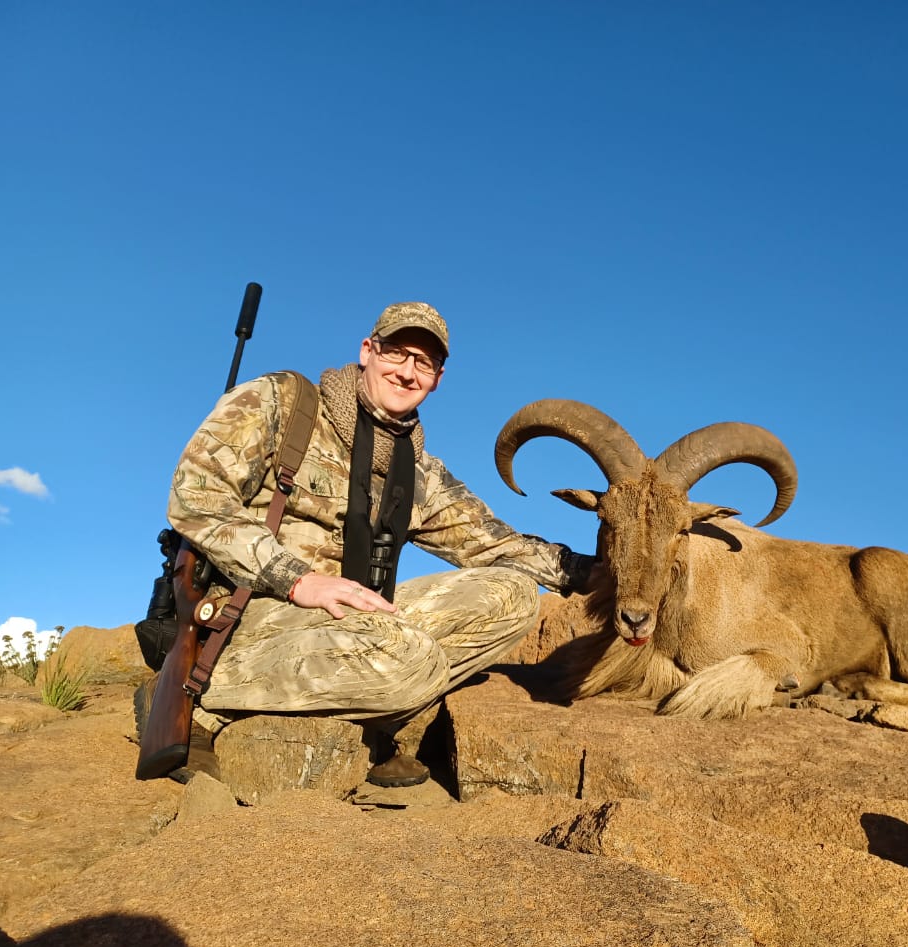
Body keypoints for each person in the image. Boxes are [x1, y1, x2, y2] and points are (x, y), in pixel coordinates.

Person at [165, 302, 594, 787]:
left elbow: (494, 544)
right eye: (396, 352)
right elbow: (195, 498)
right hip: (249, 615)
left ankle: (367, 711)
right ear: (368, 351)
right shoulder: (282, 401)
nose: (408, 372)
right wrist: (298, 580)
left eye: (425, 362)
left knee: (512, 597)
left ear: (437, 379)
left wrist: (596, 572)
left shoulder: (416, 469)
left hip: (355, 624)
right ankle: (209, 695)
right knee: (411, 659)